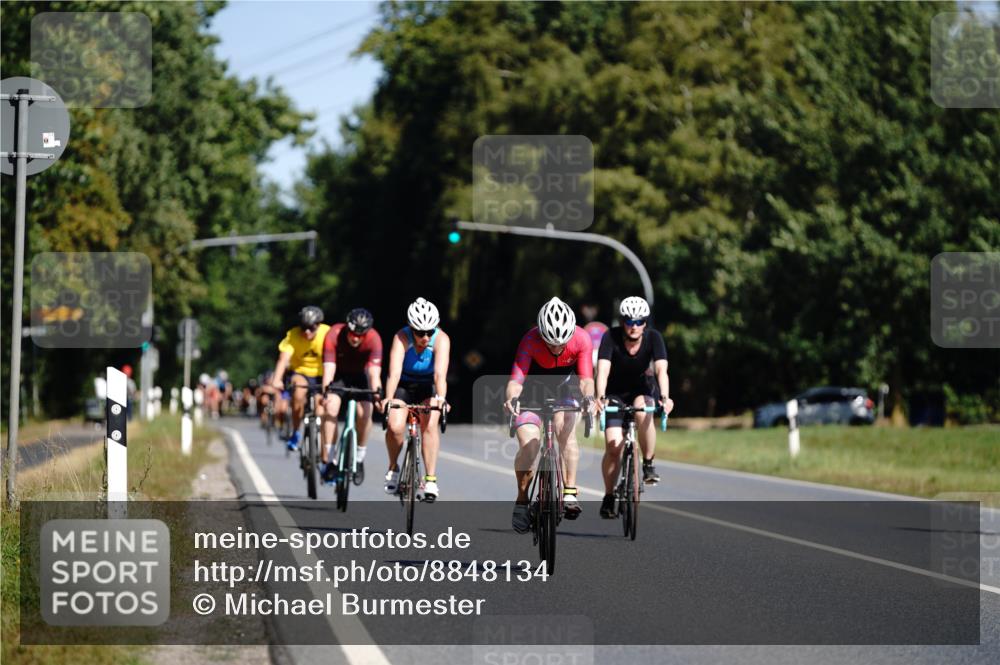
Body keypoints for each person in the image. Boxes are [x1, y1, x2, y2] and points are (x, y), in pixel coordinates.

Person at [502, 297, 595, 533]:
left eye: (560, 344)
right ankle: (522, 500)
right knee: (530, 445)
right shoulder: (530, 340)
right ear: (541, 334)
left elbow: (585, 380)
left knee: (566, 431)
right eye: (550, 343)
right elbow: (516, 380)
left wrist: (588, 398)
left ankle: (570, 492)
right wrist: (511, 398)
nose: (555, 349)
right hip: (531, 394)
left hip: (563, 391)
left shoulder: (582, 339)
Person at [595, 296, 674, 518]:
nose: (634, 326)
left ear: (645, 323)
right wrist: (599, 396)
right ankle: (609, 496)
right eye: (629, 322)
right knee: (613, 446)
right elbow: (602, 370)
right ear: (622, 322)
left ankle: (648, 463)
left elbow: (661, 371)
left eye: (639, 322)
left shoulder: (654, 338)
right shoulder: (610, 337)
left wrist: (666, 397)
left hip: (643, 390)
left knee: (644, 409)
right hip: (615, 393)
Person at [378, 297, 450, 502]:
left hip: (428, 385)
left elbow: (439, 376)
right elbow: (393, 373)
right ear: (411, 328)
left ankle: (430, 479)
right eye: (420, 332)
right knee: (395, 426)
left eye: (430, 331)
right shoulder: (401, 337)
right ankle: (393, 467)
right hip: (404, 385)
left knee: (429, 424)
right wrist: (388, 398)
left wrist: (441, 399)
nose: (426, 337)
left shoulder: (442, 339)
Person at [320, 307, 383, 485]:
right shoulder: (334, 334)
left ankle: (359, 458)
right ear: (347, 328)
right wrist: (326, 391)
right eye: (353, 333)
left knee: (365, 412)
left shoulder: (374, 339)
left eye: (360, 334)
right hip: (338, 375)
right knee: (331, 407)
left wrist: (378, 395)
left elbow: (374, 373)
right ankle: (331, 460)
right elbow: (329, 367)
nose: (355, 338)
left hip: (359, 376)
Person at [269, 306, 331, 451]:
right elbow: (283, 359)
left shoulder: (327, 333)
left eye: (311, 328)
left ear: (318, 325)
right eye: (304, 328)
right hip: (301, 372)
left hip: (322, 374)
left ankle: (323, 450)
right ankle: (296, 432)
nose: (307, 332)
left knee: (321, 409)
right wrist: (277, 379)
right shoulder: (293, 335)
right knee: (298, 393)